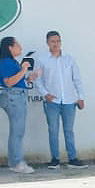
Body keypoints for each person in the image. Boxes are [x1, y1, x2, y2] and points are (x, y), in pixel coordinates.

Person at [34, 30, 87, 169]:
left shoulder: (69, 59)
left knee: (69, 130)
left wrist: (80, 97)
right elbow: (37, 80)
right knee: (53, 130)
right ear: (47, 43)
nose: (56, 44)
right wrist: (46, 94)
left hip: (70, 100)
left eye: (58, 41)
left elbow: (77, 79)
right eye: (53, 41)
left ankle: (72, 158)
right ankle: (55, 159)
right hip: (52, 101)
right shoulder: (42, 60)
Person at [0, 35, 35, 174]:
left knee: (18, 131)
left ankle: (17, 161)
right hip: (14, 97)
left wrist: (29, 78)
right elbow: (8, 82)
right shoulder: (7, 61)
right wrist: (24, 70)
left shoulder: (11, 62)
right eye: (17, 45)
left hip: (18, 96)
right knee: (17, 131)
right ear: (10, 48)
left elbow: (16, 80)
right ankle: (16, 162)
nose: (20, 47)